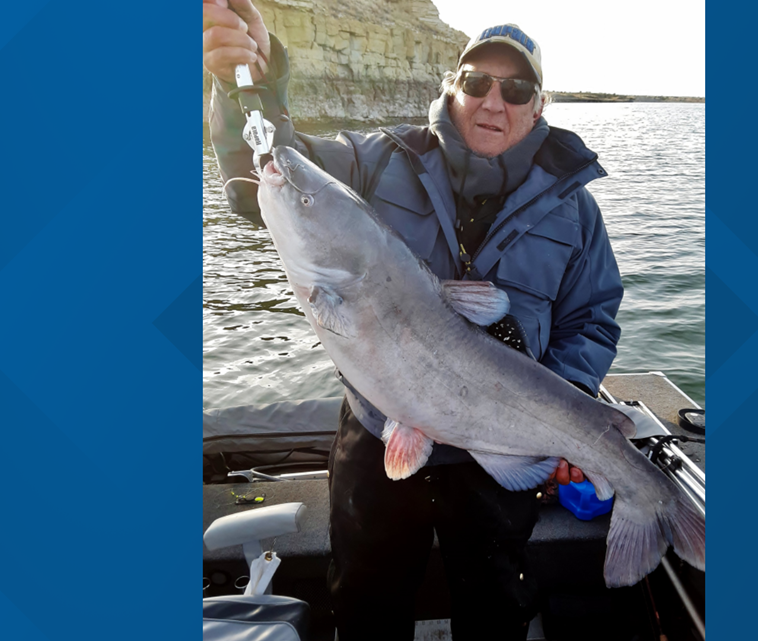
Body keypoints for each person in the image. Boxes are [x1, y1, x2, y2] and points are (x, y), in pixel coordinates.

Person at [204, 2, 624, 638]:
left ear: (539, 106)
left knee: (497, 613)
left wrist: (561, 408)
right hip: (378, 433)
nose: (493, 101)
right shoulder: (373, 159)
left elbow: (591, 319)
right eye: (477, 82)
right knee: (367, 605)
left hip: (500, 449)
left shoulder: (575, 210)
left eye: (516, 89)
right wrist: (256, 78)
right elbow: (265, 172)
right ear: (450, 87)